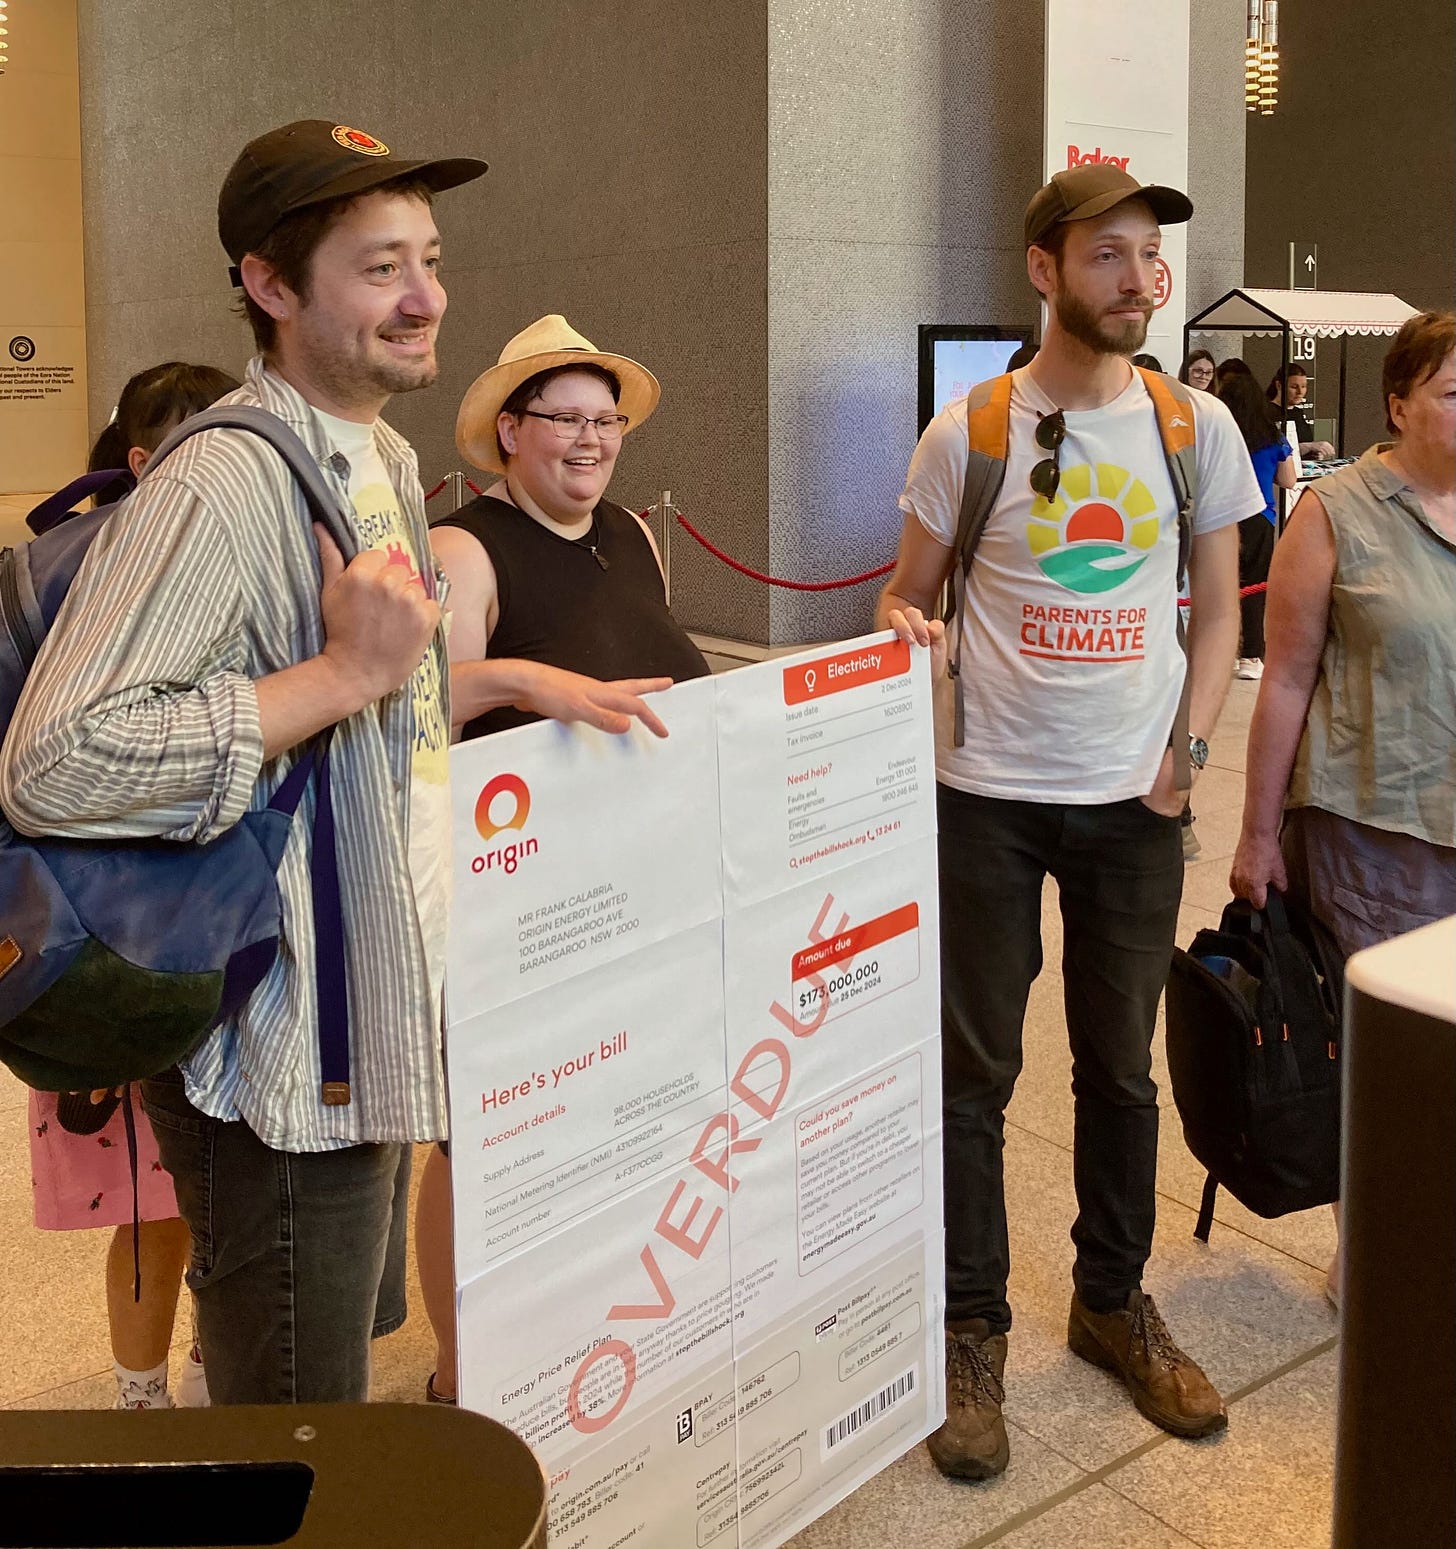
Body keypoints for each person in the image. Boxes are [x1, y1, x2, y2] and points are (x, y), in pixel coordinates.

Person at [0, 119, 488, 1406]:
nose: (427, 296)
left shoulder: (376, 454)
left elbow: (396, 721)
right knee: (293, 1422)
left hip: (367, 1007)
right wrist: (337, 678)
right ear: (270, 287)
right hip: (278, 1060)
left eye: (429, 258)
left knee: (325, 1371)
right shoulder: (223, 479)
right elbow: (59, 756)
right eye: (380, 267)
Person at [879, 163, 1262, 1480]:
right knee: (975, 1076)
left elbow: (1221, 608)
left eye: (1149, 255)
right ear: (1043, 269)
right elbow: (903, 594)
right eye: (1108, 254)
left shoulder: (1189, 426)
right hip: (986, 799)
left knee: (1121, 1069)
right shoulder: (968, 432)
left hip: (1133, 806)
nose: (1139, 279)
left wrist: (1191, 751)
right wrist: (902, 633)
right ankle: (971, 1330)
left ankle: (1112, 1301)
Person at [416, 314, 711, 1402]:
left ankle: (570, 1320)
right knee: (476, 1135)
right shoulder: (461, 549)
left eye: (607, 421)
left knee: (600, 1117)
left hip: (632, 882)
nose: (591, 441)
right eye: (565, 421)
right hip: (514, 895)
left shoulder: (629, 532)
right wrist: (530, 681)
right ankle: (457, 1372)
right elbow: (419, 712)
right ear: (508, 431)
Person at [1230, 311, 1456, 1308]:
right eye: (1453, 393)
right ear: (1398, 404)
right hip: (1374, 827)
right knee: (1391, 1057)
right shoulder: (1336, 513)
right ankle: (1372, 1254)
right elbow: (1282, 680)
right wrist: (1253, 832)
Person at [26, 362, 239, 1410]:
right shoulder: (71, 578)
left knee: (215, 1189)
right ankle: (141, 1396)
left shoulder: (217, 571)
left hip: (207, 929)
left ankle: (205, 1371)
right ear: (149, 463)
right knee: (149, 1205)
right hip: (99, 940)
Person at [1216, 371, 1296, 681]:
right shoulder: (1271, 435)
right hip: (1260, 515)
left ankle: (1221, 654)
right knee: (1255, 587)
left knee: (1220, 586)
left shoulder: (1218, 433)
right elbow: (1288, 479)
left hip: (1221, 516)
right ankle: (1251, 656)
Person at [1268, 363, 1336, 461]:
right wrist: (1308, 447)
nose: (1300, 392)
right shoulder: (1266, 412)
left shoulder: (1298, 413)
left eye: (1303, 386)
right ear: (1279, 385)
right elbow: (1274, 449)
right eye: (1294, 387)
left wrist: (1314, 453)